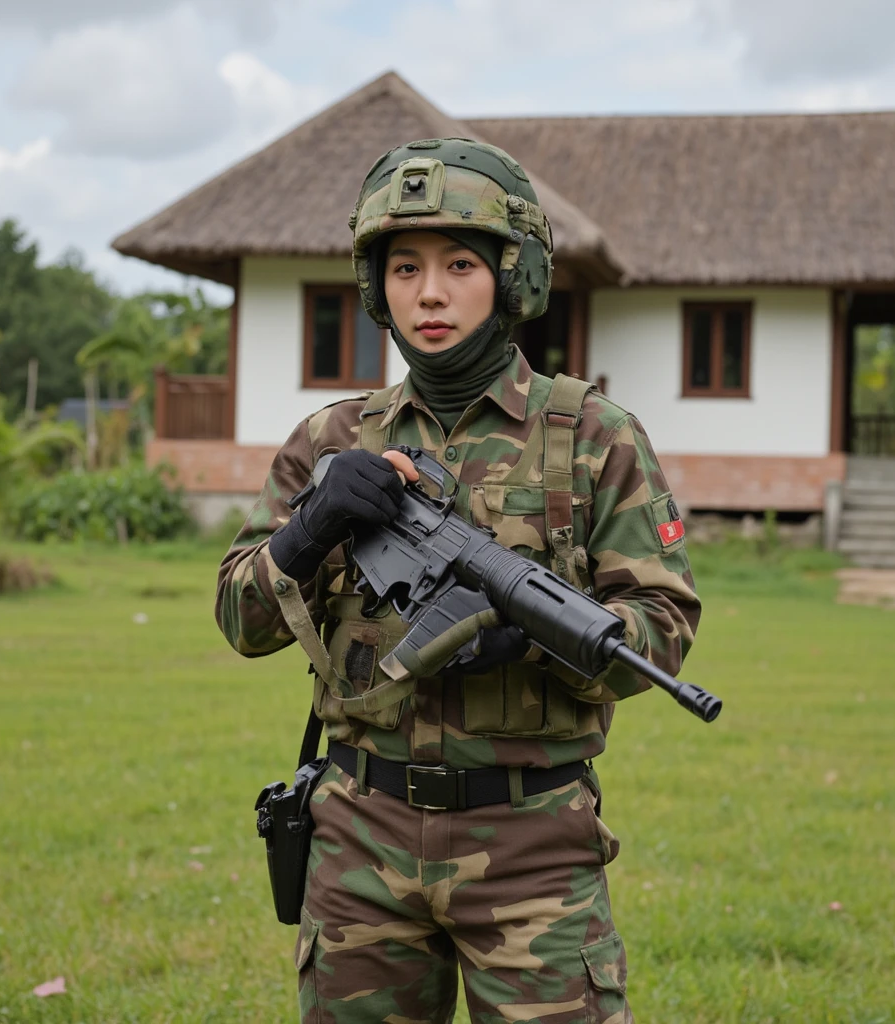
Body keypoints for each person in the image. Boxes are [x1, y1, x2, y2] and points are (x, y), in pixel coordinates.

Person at [216, 137, 700, 1024]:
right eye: (404, 268)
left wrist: (546, 643)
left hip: (531, 845)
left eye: (460, 264)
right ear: (376, 287)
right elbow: (241, 619)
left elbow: (661, 627)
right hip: (359, 834)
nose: (429, 293)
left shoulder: (595, 437)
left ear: (513, 278)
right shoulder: (331, 439)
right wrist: (312, 530)